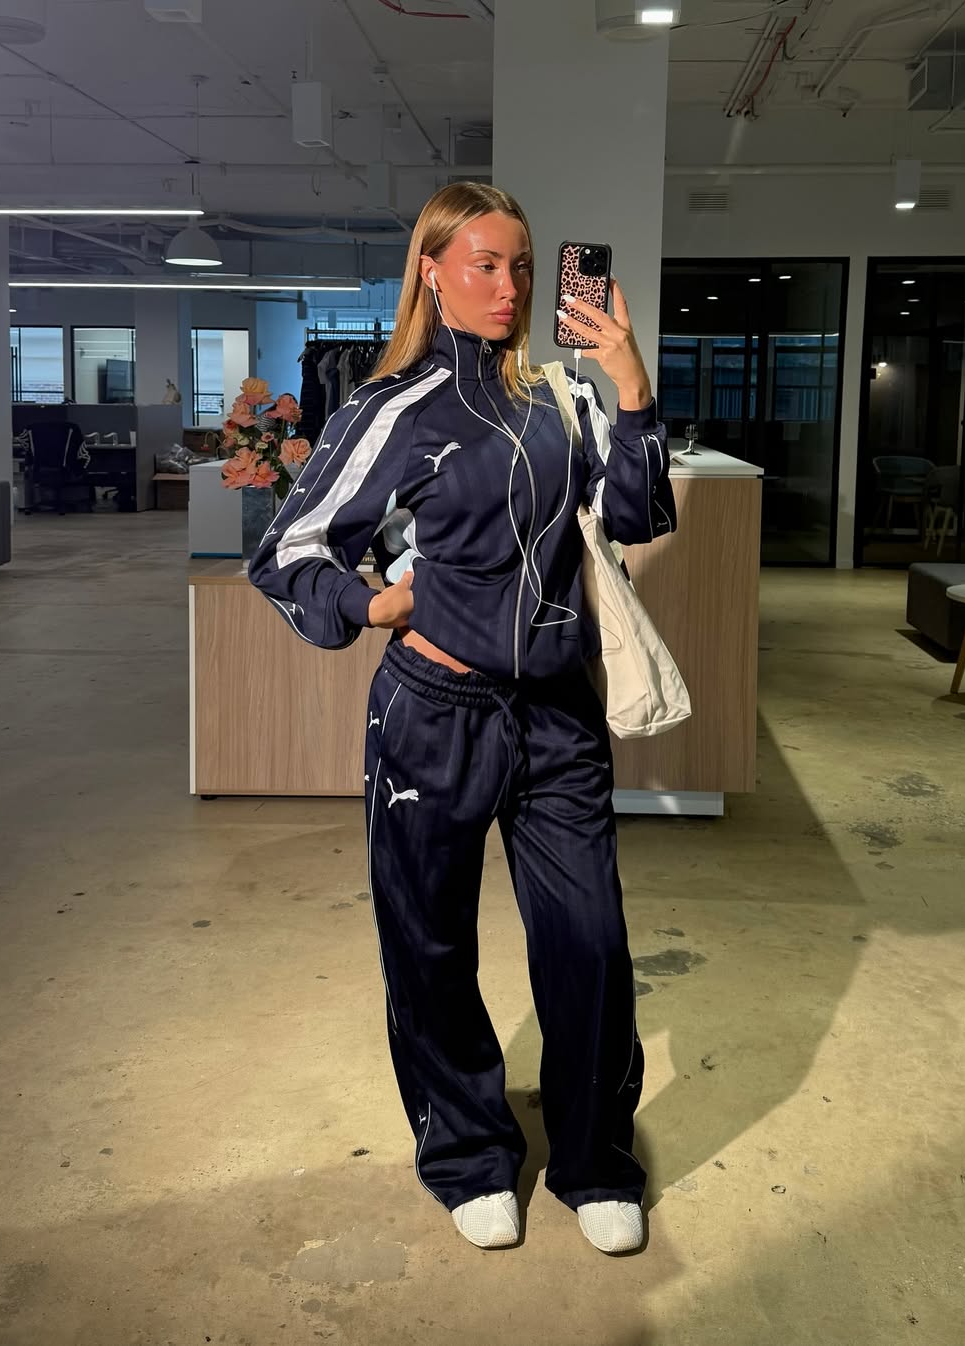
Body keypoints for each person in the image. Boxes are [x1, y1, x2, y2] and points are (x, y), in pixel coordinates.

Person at [248, 182, 675, 1255]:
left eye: (521, 264)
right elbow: (288, 550)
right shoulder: (391, 408)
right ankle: (470, 1154)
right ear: (432, 273)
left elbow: (638, 516)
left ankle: (593, 1158)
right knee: (430, 947)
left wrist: (630, 385)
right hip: (433, 714)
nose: (509, 286)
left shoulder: (563, 396)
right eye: (483, 264)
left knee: (591, 944)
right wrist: (372, 604)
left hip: (559, 717)